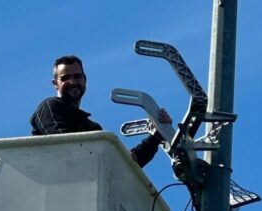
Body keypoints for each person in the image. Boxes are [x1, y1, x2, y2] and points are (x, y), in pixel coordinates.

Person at [30, 55, 171, 168]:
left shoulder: (92, 129)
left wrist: (157, 134)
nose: (72, 82)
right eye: (65, 78)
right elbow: (64, 143)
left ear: (84, 80)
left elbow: (125, 166)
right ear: (55, 84)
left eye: (77, 76)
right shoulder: (50, 107)